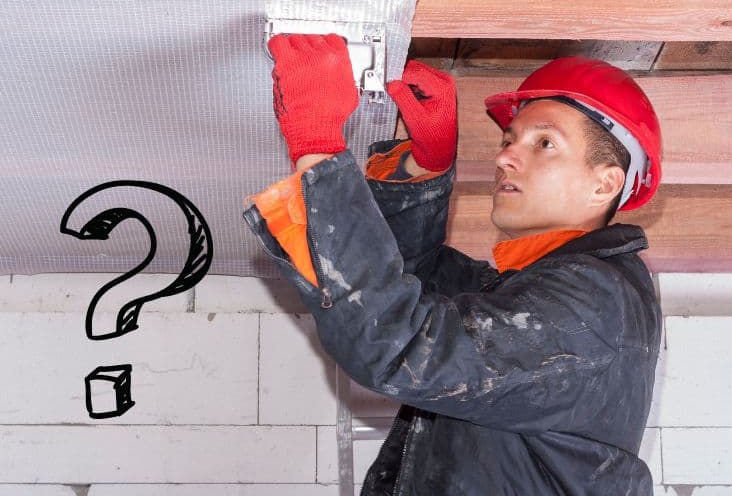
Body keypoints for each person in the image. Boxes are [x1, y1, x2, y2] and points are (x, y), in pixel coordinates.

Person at [243, 33, 663, 495]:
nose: (504, 156)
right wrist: (421, 169)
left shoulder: (592, 303)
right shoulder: (538, 292)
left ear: (605, 186)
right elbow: (411, 287)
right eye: (510, 138)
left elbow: (398, 340)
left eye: (544, 143)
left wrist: (318, 143)